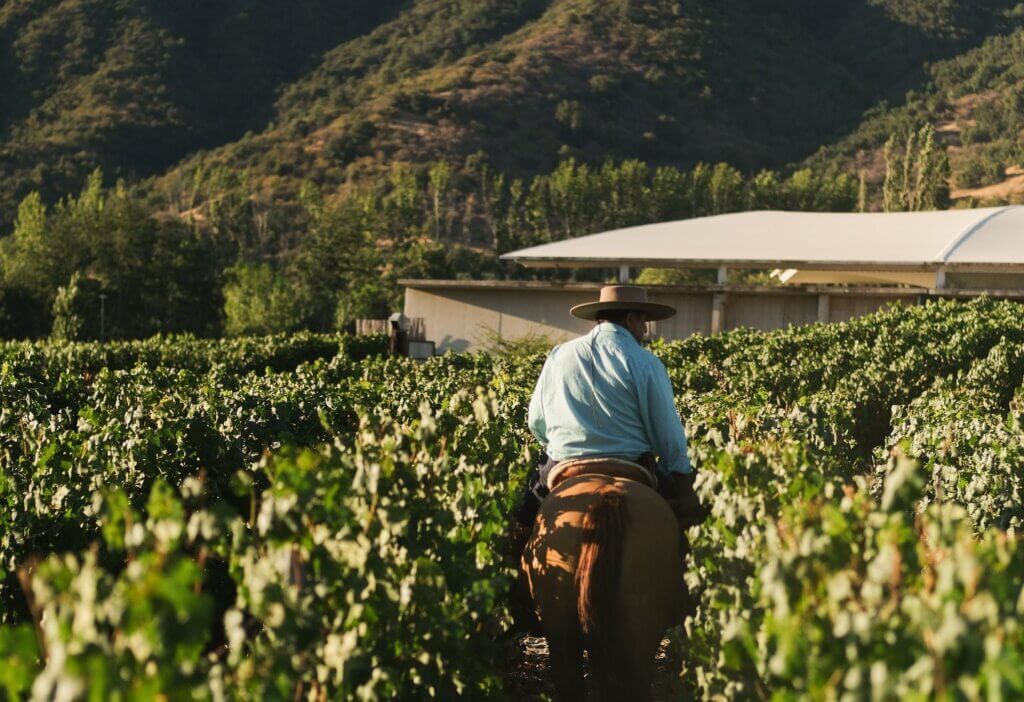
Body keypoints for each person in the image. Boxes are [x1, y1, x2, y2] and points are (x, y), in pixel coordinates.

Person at [514, 284, 706, 537]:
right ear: (631, 318)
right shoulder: (646, 362)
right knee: (687, 534)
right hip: (632, 464)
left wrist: (563, 445)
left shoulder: (559, 355)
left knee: (520, 526)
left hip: (564, 463)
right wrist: (685, 489)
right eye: (643, 321)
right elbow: (667, 435)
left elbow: (536, 421)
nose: (645, 329)